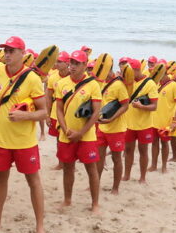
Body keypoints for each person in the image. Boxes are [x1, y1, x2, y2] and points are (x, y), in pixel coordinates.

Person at [0, 36, 48, 233]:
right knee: (0, 180)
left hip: (24, 141)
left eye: (11, 51)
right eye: (5, 50)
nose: (7, 54)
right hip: (1, 138)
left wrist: (25, 116)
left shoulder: (32, 79)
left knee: (33, 181)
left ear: (22, 53)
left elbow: (44, 112)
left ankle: (40, 226)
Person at [55, 49, 102, 212]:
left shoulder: (93, 84)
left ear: (84, 64)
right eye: (71, 63)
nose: (72, 66)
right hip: (66, 134)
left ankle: (95, 204)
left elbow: (96, 112)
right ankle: (67, 200)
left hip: (86, 135)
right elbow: (59, 109)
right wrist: (65, 128)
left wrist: (81, 133)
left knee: (91, 168)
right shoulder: (62, 83)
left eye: (76, 63)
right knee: (68, 167)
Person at [123, 58, 158, 183]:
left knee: (143, 151)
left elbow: (154, 106)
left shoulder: (150, 84)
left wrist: (141, 106)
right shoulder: (127, 82)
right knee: (128, 150)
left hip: (144, 124)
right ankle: (126, 175)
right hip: (128, 123)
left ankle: (142, 177)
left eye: (130, 71)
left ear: (137, 70)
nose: (128, 74)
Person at [97, 65, 129, 194]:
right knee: (99, 157)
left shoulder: (119, 85)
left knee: (116, 158)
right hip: (102, 127)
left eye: (104, 70)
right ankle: (96, 183)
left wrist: (111, 119)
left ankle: (115, 188)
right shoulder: (102, 84)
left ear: (110, 70)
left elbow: (125, 106)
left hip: (117, 129)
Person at [150, 68, 176, 173]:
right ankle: (153, 165)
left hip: (167, 121)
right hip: (154, 120)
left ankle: (164, 166)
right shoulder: (156, 84)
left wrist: (174, 121)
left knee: (164, 144)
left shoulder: (174, 85)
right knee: (154, 143)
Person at [45, 51, 70, 170]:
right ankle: (60, 163)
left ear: (67, 63)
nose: (57, 64)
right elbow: (48, 97)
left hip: (70, 112)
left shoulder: (74, 76)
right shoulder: (53, 77)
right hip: (55, 112)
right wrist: (47, 115)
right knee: (58, 139)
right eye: (56, 61)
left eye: (60, 62)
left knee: (70, 139)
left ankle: (70, 163)